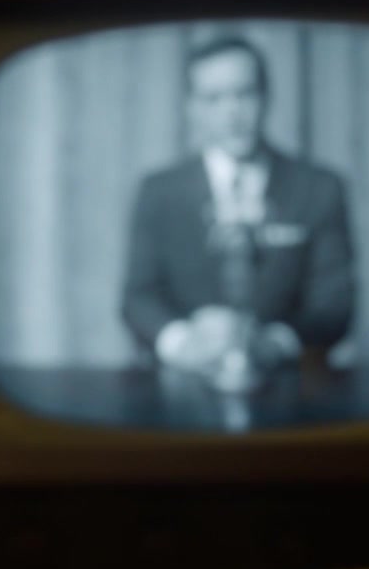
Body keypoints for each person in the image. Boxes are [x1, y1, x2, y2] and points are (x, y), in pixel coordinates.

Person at [120, 36, 356, 378]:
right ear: (192, 107)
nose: (232, 112)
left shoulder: (320, 188)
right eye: (213, 98)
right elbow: (138, 298)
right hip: (182, 385)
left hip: (289, 385)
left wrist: (270, 343)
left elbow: (335, 306)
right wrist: (186, 343)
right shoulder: (158, 191)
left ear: (266, 96)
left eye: (244, 93)